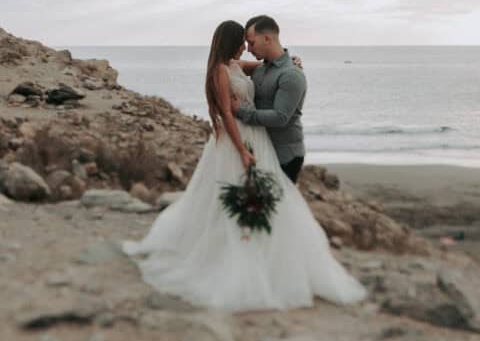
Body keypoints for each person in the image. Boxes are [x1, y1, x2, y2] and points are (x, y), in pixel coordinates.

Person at [122, 20, 366, 312]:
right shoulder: (220, 71)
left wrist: (293, 63)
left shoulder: (239, 65)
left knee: (267, 203)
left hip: (259, 140)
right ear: (231, 42)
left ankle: (268, 260)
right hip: (238, 143)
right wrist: (242, 151)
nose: (246, 46)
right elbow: (226, 113)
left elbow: (272, 69)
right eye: (242, 41)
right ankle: (240, 260)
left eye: (250, 41)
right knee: (240, 201)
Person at [234, 15, 307, 183]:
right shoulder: (260, 69)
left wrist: (240, 110)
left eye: (251, 43)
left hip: (285, 156)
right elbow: (232, 65)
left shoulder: (291, 74)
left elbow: (280, 117)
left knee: (280, 207)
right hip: (263, 149)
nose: (249, 50)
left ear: (267, 38)